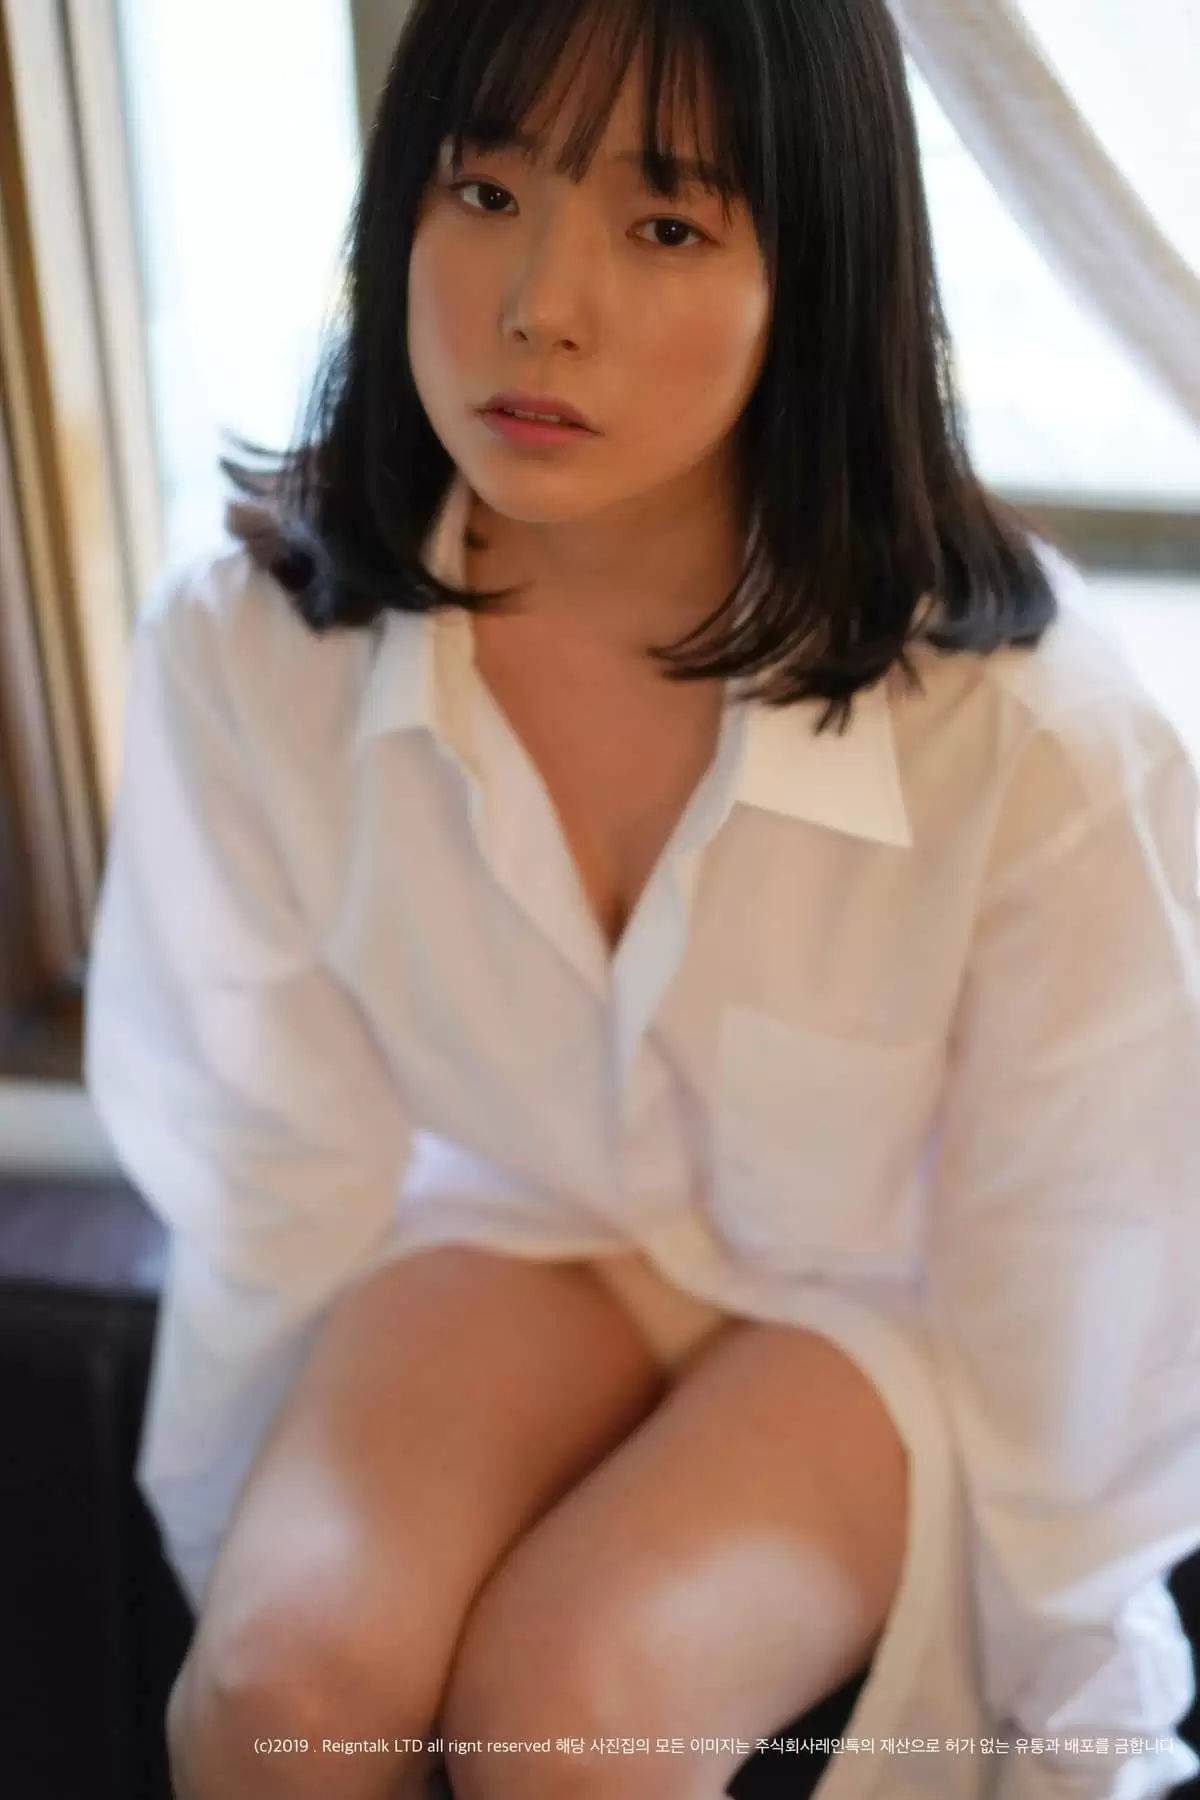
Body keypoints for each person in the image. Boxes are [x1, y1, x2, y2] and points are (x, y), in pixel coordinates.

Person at [83, 1, 1200, 1797]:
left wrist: (1086, 1736)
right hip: (506, 1232)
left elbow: (1084, 1286)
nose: (542, 303)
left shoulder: (1032, 736)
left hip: (868, 1312)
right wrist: (277, 1570)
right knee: (280, 1698)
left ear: (816, 271)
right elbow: (273, 1176)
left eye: (666, 222)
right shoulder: (254, 649)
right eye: (485, 191)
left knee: (573, 1717)